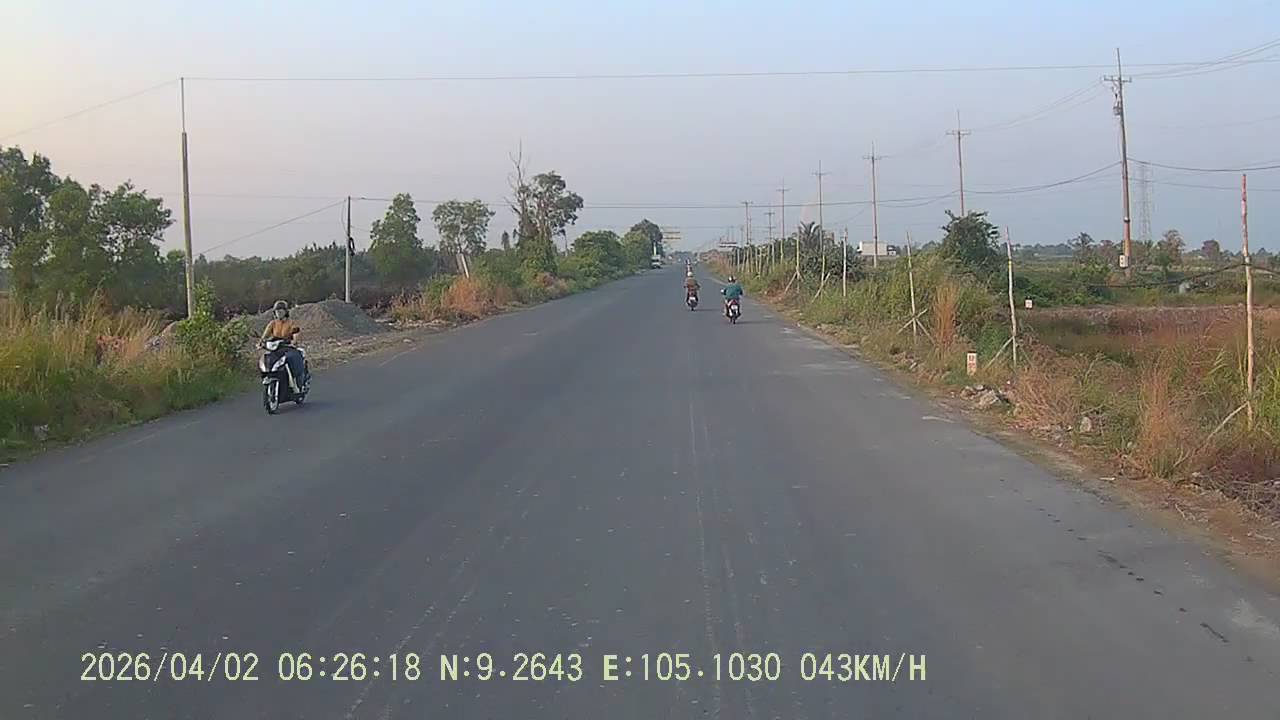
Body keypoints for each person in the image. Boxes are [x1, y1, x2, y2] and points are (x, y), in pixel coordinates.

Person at [260, 300, 308, 391]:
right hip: (276, 347)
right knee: (268, 358)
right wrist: (261, 341)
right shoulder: (273, 323)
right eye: (277, 311)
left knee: (292, 358)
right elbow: (265, 334)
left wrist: (294, 341)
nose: (279, 313)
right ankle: (269, 375)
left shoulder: (291, 323)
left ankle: (297, 382)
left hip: (288, 346)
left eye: (281, 311)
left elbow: (295, 332)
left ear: (286, 312)